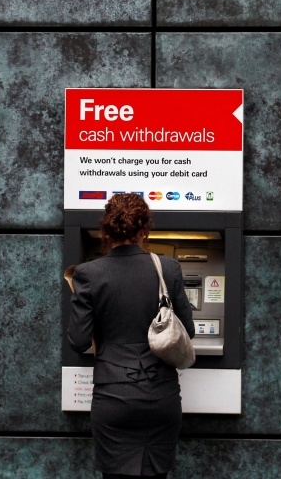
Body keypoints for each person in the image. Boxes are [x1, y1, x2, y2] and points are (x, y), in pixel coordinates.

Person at [67, 193, 195, 479]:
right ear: (144, 230)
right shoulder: (169, 269)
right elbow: (189, 330)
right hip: (161, 395)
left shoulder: (88, 274)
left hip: (114, 397)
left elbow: (78, 341)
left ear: (105, 230)